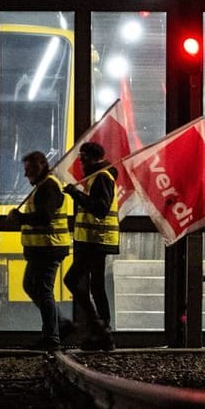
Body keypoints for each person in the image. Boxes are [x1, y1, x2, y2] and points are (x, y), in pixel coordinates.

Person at [62, 140, 119, 351]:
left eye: (83, 157)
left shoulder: (101, 177)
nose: (81, 161)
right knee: (95, 285)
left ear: (94, 158)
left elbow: (100, 208)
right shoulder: (96, 177)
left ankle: (101, 329)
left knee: (73, 280)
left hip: (96, 241)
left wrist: (75, 194)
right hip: (92, 240)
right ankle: (102, 332)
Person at [15, 150, 71, 350]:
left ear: (40, 165)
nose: (25, 174)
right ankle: (61, 324)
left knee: (42, 289)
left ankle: (52, 338)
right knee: (32, 286)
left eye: (29, 169)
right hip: (43, 247)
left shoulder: (48, 187)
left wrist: (20, 218)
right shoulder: (44, 186)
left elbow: (44, 217)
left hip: (49, 247)